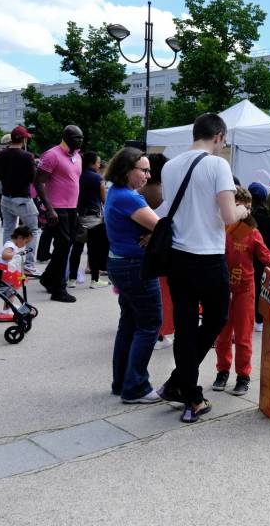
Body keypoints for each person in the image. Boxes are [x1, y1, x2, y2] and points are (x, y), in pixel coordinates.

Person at [155, 114, 250, 424]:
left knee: (184, 327)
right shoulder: (217, 165)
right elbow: (227, 216)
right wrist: (243, 208)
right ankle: (190, 395)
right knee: (217, 318)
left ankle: (180, 386)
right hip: (207, 257)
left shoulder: (170, 165)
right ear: (219, 136)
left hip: (178, 257)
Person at [103, 147, 163, 403]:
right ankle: (135, 387)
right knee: (149, 324)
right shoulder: (129, 198)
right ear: (127, 170)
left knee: (129, 324)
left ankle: (122, 382)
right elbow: (164, 227)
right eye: (144, 170)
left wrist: (153, 233)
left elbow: (155, 228)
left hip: (121, 265)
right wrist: (155, 233)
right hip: (135, 267)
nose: (148, 176)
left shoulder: (117, 193)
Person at [215, 187, 270, 396]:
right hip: (221, 290)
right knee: (223, 336)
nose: (245, 210)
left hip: (244, 290)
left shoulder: (250, 232)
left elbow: (265, 255)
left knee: (243, 337)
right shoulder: (219, 228)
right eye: (239, 205)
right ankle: (222, 371)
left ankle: (243, 375)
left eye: (247, 206)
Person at [35, 125, 84, 303]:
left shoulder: (77, 156)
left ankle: (48, 278)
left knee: (66, 246)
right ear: (66, 137)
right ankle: (59, 289)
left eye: (81, 138)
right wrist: (49, 209)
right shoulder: (52, 155)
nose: (80, 141)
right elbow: (38, 182)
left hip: (72, 208)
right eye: (77, 138)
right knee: (63, 247)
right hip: (57, 208)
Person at [0, 126, 40, 276]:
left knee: (8, 229)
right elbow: (33, 178)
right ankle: (29, 265)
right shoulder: (27, 156)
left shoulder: (0, 155)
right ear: (24, 139)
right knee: (33, 230)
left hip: (6, 197)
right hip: (22, 198)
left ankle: (5, 262)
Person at [139, 153, 175, 349]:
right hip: (164, 253)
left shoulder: (137, 192)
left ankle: (150, 330)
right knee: (165, 295)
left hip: (140, 251)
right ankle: (163, 332)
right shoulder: (168, 193)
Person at [69, 151, 109, 289]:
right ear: (92, 163)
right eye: (98, 162)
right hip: (94, 218)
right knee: (94, 250)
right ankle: (94, 280)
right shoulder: (98, 178)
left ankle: (71, 279)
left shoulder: (77, 175)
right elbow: (104, 200)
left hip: (78, 216)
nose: (99, 165)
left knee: (77, 249)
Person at [249, 181, 270, 333]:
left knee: (249, 289)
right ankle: (259, 319)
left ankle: (251, 318)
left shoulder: (249, 216)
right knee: (261, 288)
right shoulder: (269, 214)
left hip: (249, 255)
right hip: (264, 255)